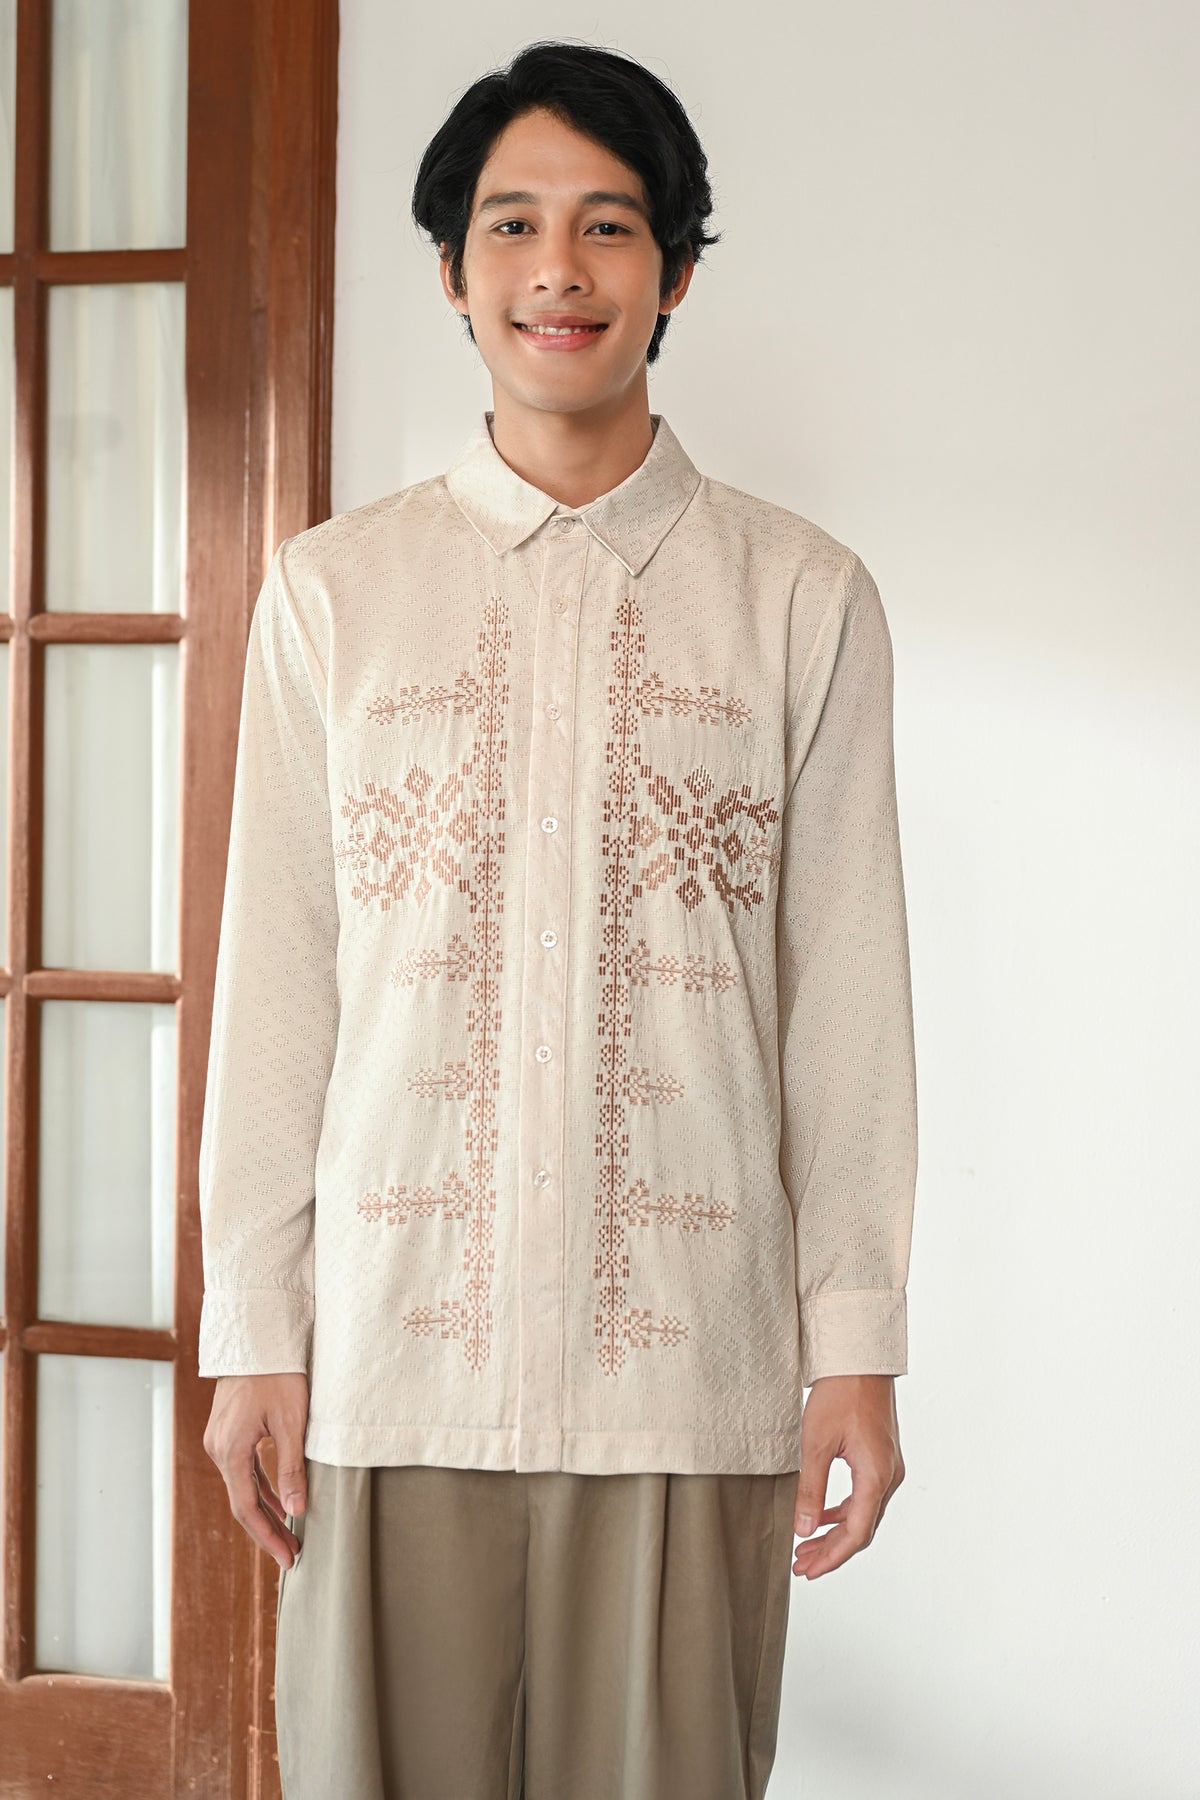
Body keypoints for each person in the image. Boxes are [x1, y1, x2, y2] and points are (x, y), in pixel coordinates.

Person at [198, 38, 918, 1800]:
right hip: (391, 1362)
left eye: (608, 225)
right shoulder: (334, 594)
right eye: (512, 225)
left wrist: (856, 1347)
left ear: (675, 270)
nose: (559, 270)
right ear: (452, 272)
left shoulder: (801, 600)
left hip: (688, 1365)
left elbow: (847, 1004)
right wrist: (254, 1331)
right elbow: (279, 979)